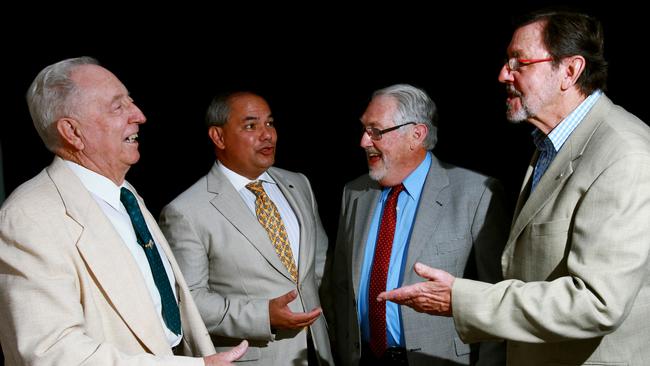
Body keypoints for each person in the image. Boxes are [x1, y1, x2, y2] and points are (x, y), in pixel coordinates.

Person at [378, 10, 650, 366]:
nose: (503, 74)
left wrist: (459, 300)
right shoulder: (549, 146)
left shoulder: (623, 153)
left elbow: (597, 303)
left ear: (570, 71)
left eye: (519, 62)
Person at [0, 57, 248, 365]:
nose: (140, 116)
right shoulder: (27, 218)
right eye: (118, 107)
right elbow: (51, 352)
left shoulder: (126, 195)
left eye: (131, 102)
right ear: (72, 132)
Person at [327, 83, 509, 366]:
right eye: (364, 129)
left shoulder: (478, 194)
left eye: (375, 131)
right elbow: (340, 286)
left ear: (416, 134)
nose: (364, 141)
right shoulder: (354, 194)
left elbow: (497, 300)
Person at [158, 91, 334, 365]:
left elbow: (320, 267)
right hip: (258, 356)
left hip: (318, 353)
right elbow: (189, 303)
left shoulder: (299, 184)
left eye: (270, 123)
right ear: (218, 137)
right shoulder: (186, 212)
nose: (268, 135)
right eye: (251, 126)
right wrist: (262, 316)